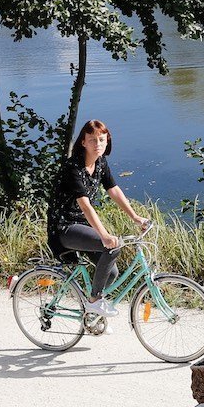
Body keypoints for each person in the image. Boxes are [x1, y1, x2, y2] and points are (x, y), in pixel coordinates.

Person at [46, 119, 151, 328]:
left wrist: (136, 217)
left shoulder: (101, 163)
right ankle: (94, 301)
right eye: (92, 140)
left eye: (102, 139)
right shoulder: (73, 167)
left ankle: (91, 310)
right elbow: (85, 206)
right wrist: (104, 235)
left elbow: (114, 191)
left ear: (107, 140)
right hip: (64, 227)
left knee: (111, 272)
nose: (98, 144)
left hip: (82, 226)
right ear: (83, 142)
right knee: (112, 247)